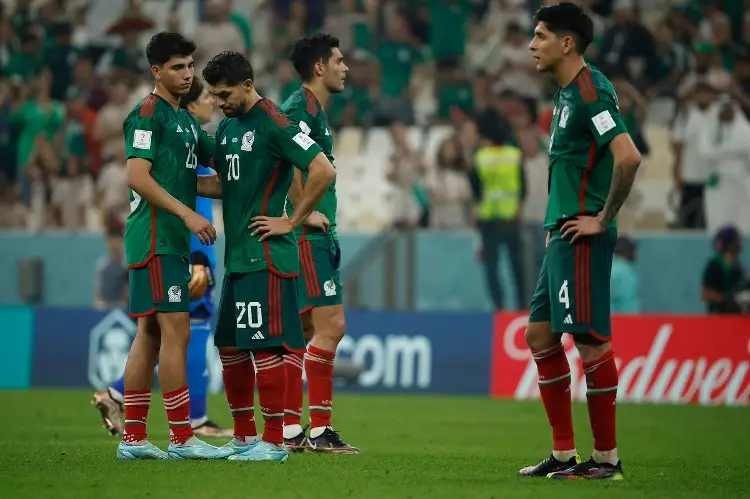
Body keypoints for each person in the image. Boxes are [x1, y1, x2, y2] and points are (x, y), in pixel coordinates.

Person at [520, 3, 641, 480]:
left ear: (566, 43)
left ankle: (607, 460)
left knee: (589, 344)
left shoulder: (591, 90)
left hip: (580, 233)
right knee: (539, 334)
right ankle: (565, 454)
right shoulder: (566, 95)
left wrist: (602, 218)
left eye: (541, 35)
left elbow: (628, 157)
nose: (532, 44)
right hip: (560, 235)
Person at [198, 50, 336, 461]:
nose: (219, 102)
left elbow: (323, 170)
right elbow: (228, 185)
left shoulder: (275, 121)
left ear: (247, 84)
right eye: (214, 96)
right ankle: (244, 437)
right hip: (238, 256)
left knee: (263, 348)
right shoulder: (227, 127)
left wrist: (292, 220)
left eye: (225, 94)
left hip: (267, 256)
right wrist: (179, 184)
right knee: (230, 347)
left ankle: (274, 440)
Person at [91, 80, 232, 439]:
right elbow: (179, 196)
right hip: (185, 250)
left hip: (186, 248)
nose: (211, 105)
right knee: (187, 329)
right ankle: (188, 426)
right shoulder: (170, 134)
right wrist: (200, 259)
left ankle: (126, 413)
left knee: (156, 332)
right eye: (206, 99)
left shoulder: (188, 140)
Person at [116, 32, 230, 460]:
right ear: (156, 71)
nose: (188, 74)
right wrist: (188, 213)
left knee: (147, 334)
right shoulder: (148, 113)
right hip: (154, 237)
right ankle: (182, 438)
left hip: (170, 239)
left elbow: (208, 177)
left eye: (190, 66)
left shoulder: (185, 122)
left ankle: (133, 439)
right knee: (176, 331)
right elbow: (138, 177)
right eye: (179, 67)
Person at [279, 33, 359, 453]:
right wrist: (303, 213)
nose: (346, 67)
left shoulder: (314, 111)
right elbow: (287, 159)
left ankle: (290, 431)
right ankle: (320, 429)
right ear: (319, 68)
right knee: (332, 326)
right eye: (340, 60)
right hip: (307, 234)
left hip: (311, 234)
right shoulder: (301, 110)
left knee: (305, 329)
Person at [701, 225, 750, 314]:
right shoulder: (714, 265)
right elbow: (706, 294)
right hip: (718, 314)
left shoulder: (739, 267)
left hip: (736, 316)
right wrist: (726, 299)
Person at [610, 235, 641, 313]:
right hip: (624, 320)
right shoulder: (623, 272)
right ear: (625, 251)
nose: (635, 252)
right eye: (632, 249)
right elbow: (626, 300)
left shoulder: (610, 267)